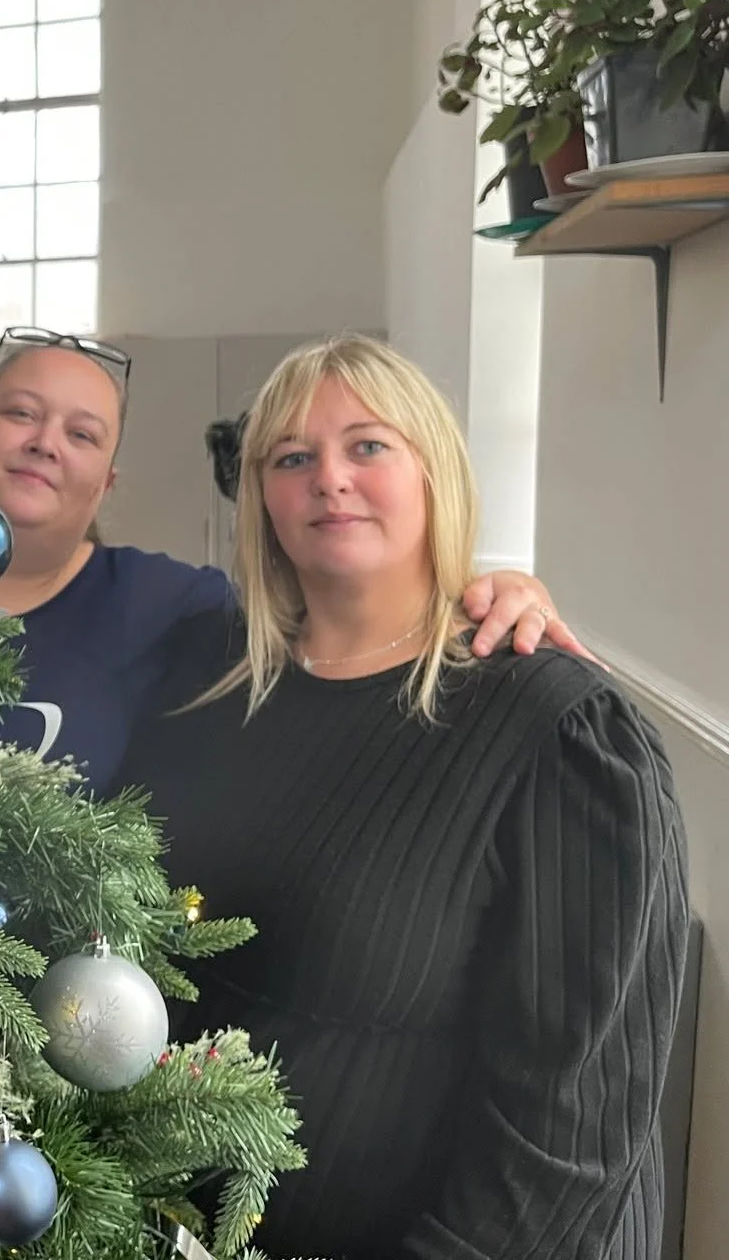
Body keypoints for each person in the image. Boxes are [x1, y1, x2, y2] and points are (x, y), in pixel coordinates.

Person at [119, 334, 687, 1259]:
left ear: (437, 474)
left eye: (368, 446)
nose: (328, 478)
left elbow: (575, 1125)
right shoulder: (206, 678)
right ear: (260, 494)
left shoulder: (559, 730)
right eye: (291, 457)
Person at [0, 326, 580, 792]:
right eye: (21, 414)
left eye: (82, 434)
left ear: (108, 480)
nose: (44, 444)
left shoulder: (176, 612)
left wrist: (491, 593)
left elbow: (341, 614)